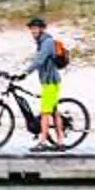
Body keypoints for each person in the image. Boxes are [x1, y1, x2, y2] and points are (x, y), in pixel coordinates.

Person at [25, 15, 66, 149]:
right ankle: (60, 142)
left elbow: (39, 61)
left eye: (35, 28)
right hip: (49, 82)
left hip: (50, 82)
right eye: (31, 29)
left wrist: (24, 73)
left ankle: (42, 142)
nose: (33, 31)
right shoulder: (41, 42)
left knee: (45, 113)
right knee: (54, 112)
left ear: (42, 29)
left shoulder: (47, 42)